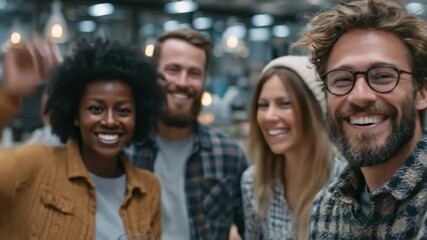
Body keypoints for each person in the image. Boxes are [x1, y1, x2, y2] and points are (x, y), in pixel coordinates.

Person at [0, 38, 162, 239]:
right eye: (96, 108)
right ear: (75, 115)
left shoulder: (148, 188)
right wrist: (7, 97)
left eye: (123, 110)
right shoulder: (35, 165)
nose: (110, 121)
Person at [295, 0, 427, 238]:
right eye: (342, 79)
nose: (359, 96)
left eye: (384, 76)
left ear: (422, 93)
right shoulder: (326, 207)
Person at [126, 28, 248, 239]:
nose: (182, 82)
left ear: (204, 80)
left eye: (194, 73)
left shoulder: (228, 155)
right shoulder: (125, 149)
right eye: (173, 70)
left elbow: (253, 231)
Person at [241, 56, 346, 240]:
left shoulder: (347, 182)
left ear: (314, 111)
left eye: (285, 104)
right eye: (263, 105)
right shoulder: (253, 182)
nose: (270, 116)